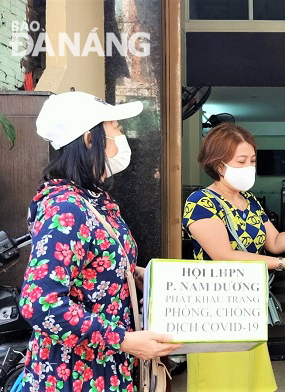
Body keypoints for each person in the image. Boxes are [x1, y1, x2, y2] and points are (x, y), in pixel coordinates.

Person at [19, 92, 182, 391]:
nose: (123, 138)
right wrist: (123, 340)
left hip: (105, 365)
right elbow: (40, 303)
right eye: (116, 128)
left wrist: (137, 275)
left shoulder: (92, 200)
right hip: (75, 373)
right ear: (89, 140)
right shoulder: (67, 208)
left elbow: (93, 268)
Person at [182, 123, 285, 392]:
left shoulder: (250, 201)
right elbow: (223, 255)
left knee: (249, 379)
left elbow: (275, 242)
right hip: (211, 306)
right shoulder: (200, 202)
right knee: (219, 380)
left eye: (252, 161)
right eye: (241, 161)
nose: (249, 167)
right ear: (219, 165)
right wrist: (282, 264)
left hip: (247, 301)